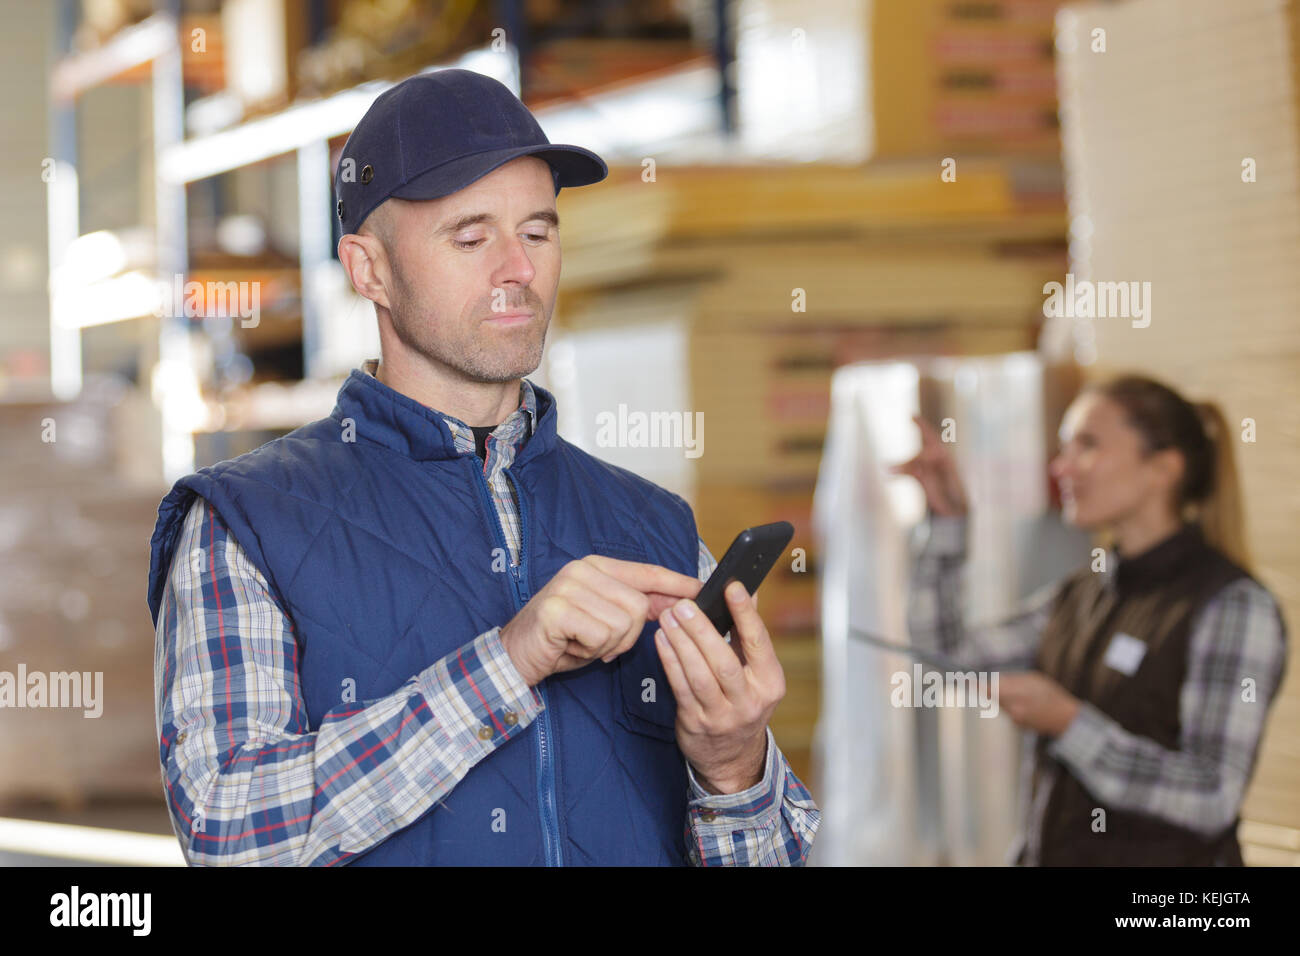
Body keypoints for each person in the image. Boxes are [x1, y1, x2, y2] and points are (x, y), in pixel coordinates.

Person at [146, 69, 819, 866]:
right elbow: (228, 829)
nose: (519, 270)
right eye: (471, 237)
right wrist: (507, 662)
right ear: (369, 270)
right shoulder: (247, 523)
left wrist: (734, 767)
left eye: (538, 232)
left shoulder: (655, 526)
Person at [894, 374, 1287, 866]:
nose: (1061, 467)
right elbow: (946, 658)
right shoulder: (1080, 595)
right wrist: (948, 525)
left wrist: (1069, 722)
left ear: (1162, 469)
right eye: (1063, 448)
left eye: (1087, 446)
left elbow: (1211, 797)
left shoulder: (1231, 606)